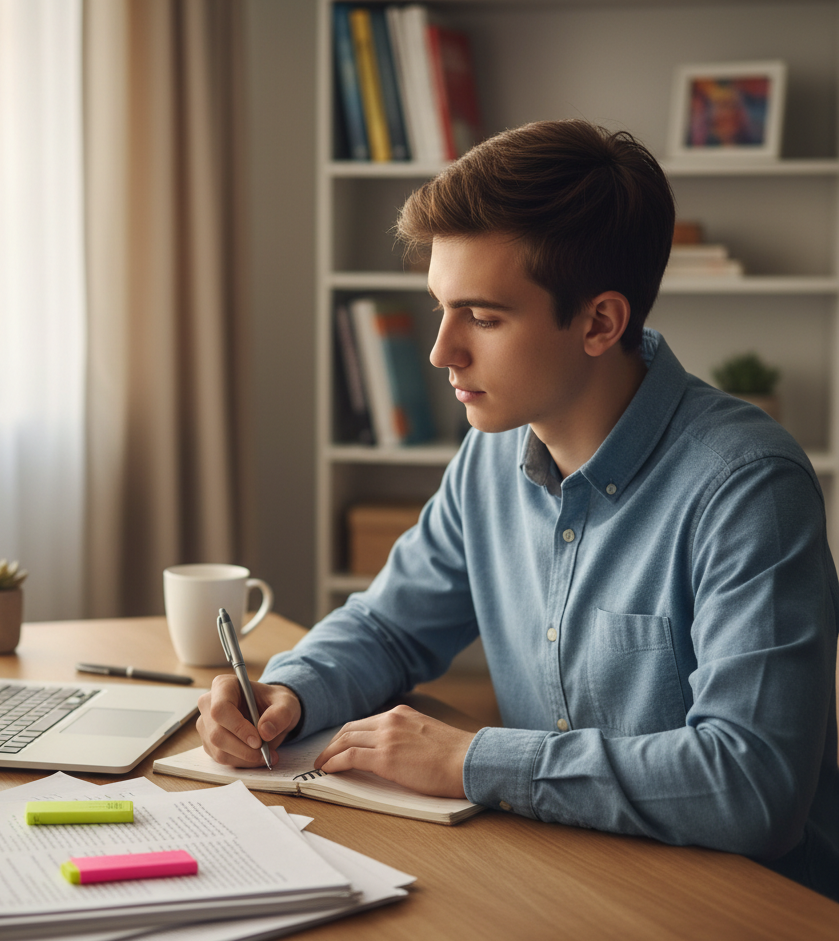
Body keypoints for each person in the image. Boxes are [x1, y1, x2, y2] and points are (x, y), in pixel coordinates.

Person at [196, 119, 839, 901]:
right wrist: (288, 693)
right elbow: (391, 627)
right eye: (440, 308)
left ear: (600, 321)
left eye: (484, 317)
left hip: (753, 924)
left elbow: (751, 786)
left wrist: (472, 760)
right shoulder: (493, 452)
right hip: (573, 881)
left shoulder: (747, 487)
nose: (441, 352)